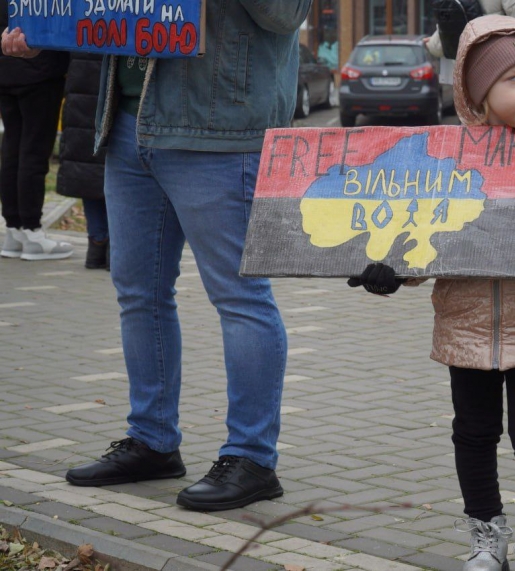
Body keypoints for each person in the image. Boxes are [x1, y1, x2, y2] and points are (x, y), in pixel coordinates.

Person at [2, 0, 312, 511]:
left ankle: (252, 458)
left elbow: (287, 14)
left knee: (240, 297)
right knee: (138, 293)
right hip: (129, 125)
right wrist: (43, 30)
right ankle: (152, 440)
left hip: (219, 131)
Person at [349, 15, 515, 571]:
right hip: (466, 323)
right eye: (514, 79)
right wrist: (393, 270)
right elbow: (425, 233)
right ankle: (485, 537)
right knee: (472, 434)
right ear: (478, 93)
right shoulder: (448, 161)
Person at [0, 1, 72, 261]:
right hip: (40, 71)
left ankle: (14, 229)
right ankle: (31, 231)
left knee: (12, 148)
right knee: (33, 152)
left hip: (7, 69)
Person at [56, 52, 109, 270]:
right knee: (116, 171)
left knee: (87, 169)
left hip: (80, 85)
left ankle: (97, 243)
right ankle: (114, 247)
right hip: (112, 85)